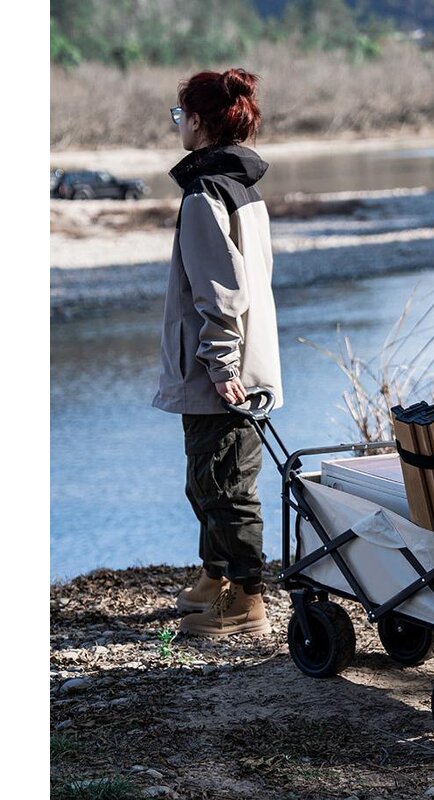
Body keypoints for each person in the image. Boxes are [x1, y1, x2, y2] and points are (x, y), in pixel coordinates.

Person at [152, 67, 283, 636]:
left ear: (200, 122)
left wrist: (222, 364)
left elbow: (222, 292)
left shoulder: (207, 193)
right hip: (233, 363)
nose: (179, 125)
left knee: (224, 485)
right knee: (210, 478)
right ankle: (216, 575)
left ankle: (247, 600)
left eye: (182, 116)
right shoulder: (241, 187)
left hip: (220, 373)